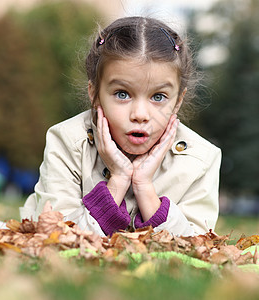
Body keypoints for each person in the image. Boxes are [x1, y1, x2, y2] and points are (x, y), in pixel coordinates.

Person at [20, 16, 222, 237]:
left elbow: (196, 247)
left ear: (178, 101)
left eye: (158, 96)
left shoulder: (202, 159)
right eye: (122, 94)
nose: (140, 115)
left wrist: (144, 187)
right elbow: (57, 235)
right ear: (95, 94)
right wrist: (118, 180)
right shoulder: (67, 142)